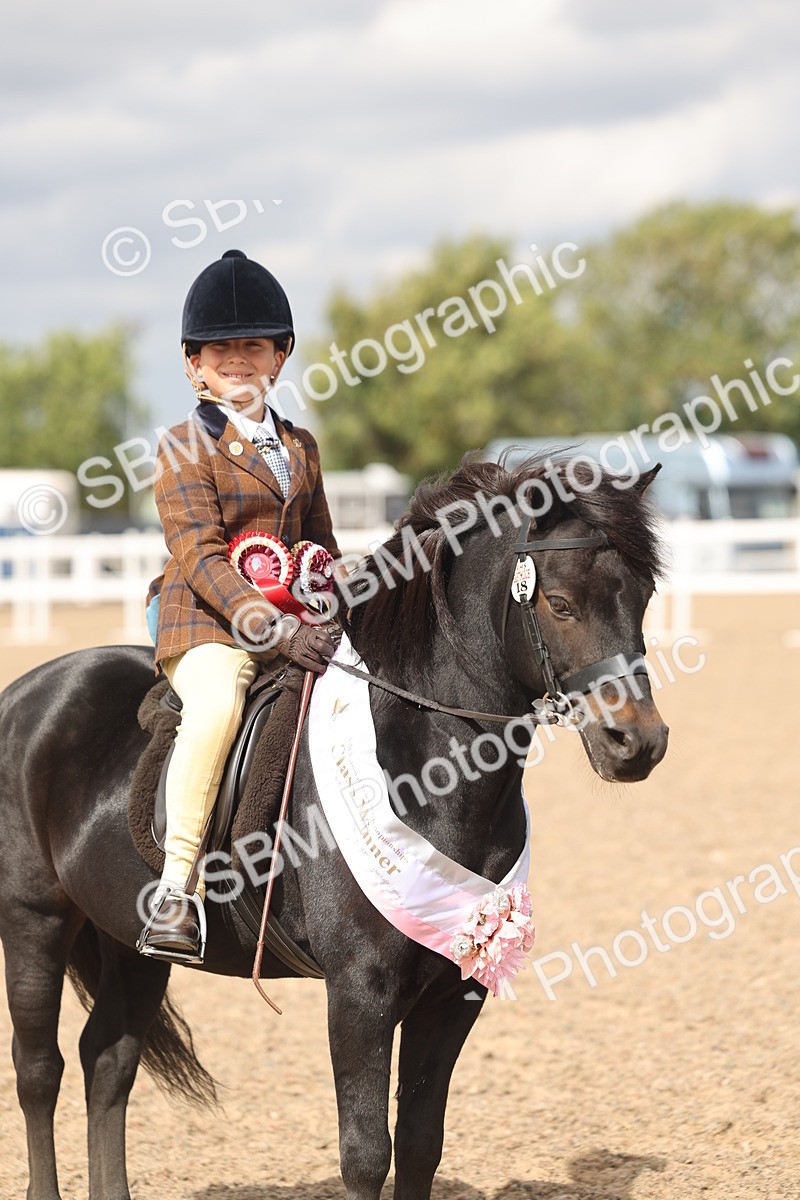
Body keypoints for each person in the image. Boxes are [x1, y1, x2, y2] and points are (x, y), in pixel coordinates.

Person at [137, 249, 339, 964]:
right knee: (219, 706)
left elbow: (320, 547)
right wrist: (273, 627)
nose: (239, 359)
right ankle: (176, 889)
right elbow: (202, 556)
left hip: (295, 622)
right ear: (195, 366)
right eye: (222, 349)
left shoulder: (300, 447)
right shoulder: (182, 447)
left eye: (253, 346)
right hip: (206, 624)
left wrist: (344, 605)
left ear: (279, 357)